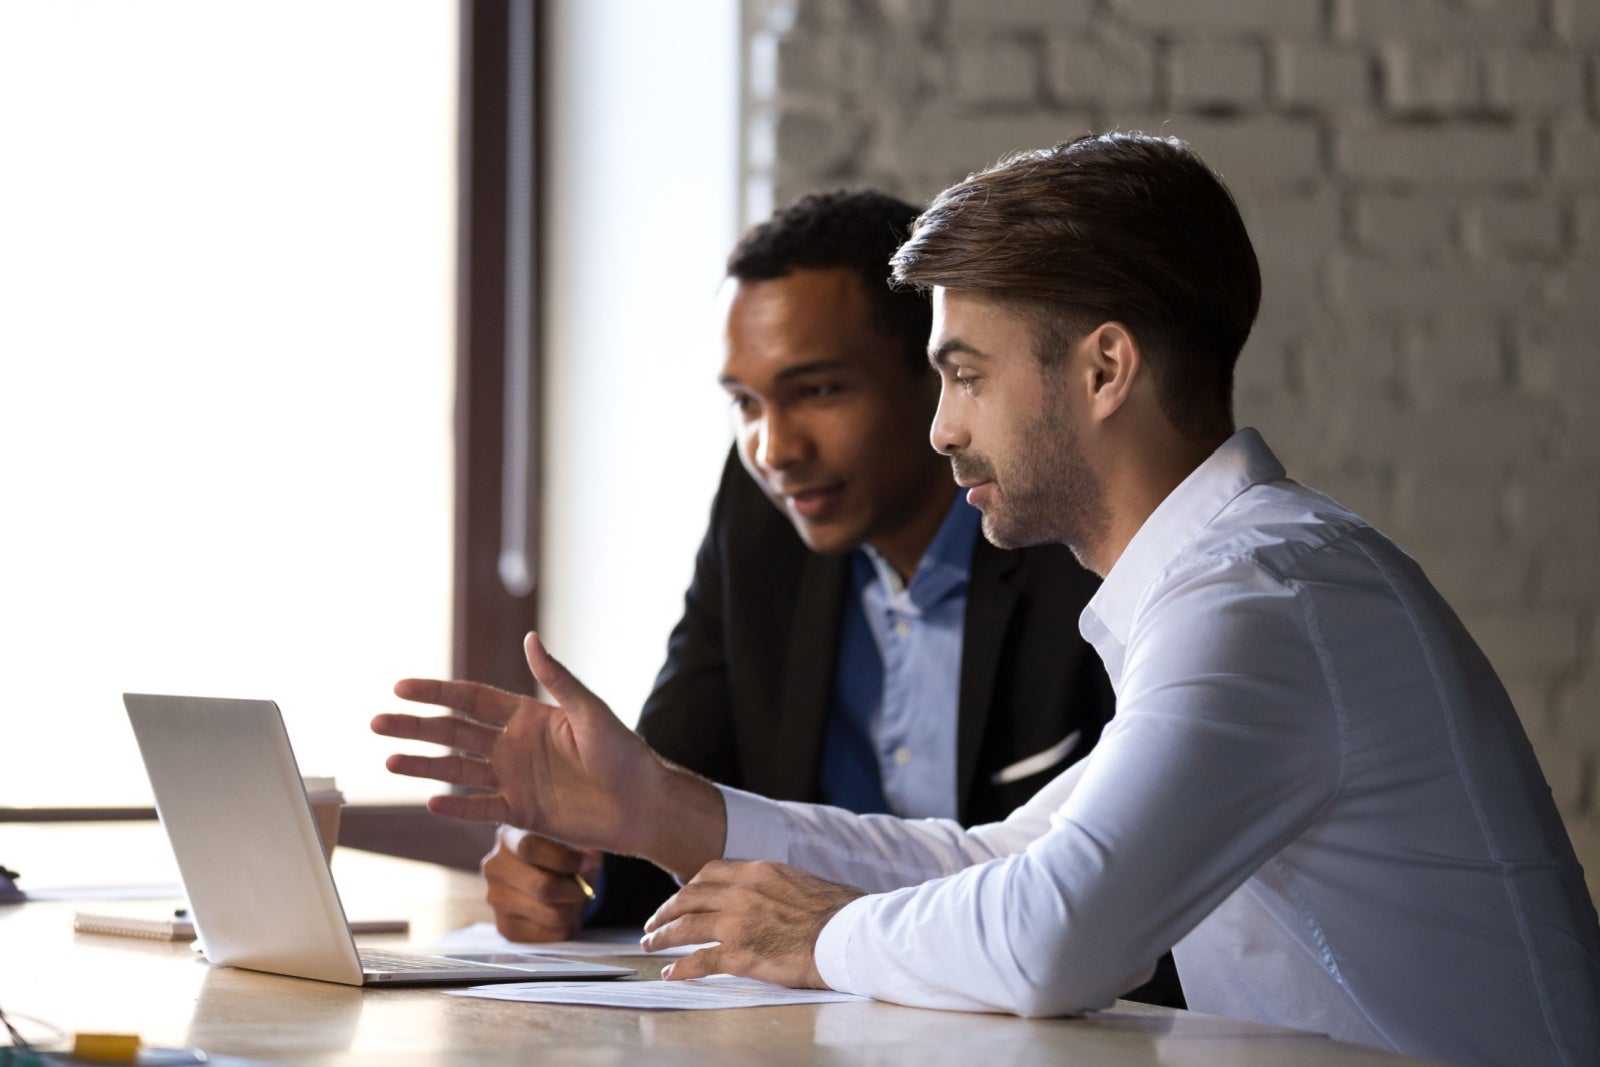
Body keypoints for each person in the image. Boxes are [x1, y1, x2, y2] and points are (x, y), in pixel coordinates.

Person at [373, 133, 1600, 1067]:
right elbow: (996, 857)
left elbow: (1056, 931)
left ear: (1104, 367)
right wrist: (660, 803)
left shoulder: (1262, 594)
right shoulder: (1233, 582)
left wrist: (817, 931)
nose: (944, 422)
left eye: (963, 373)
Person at [477, 188, 1184, 1005]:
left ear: (941, 378)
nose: (774, 449)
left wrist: (826, 932)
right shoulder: (760, 523)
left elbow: (1093, 903)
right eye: (745, 403)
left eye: (817, 391)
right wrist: (574, 867)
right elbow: (680, 793)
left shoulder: (1081, 538)